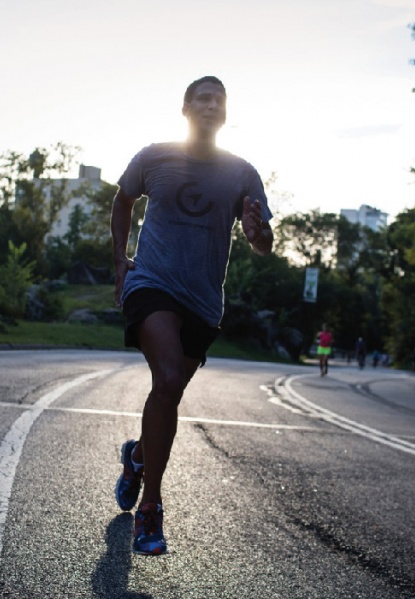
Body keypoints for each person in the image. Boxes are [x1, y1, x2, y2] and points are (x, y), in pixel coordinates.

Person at [110, 76, 274, 555]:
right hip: (152, 282)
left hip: (203, 300)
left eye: (219, 99)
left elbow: (264, 243)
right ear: (185, 108)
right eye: (203, 97)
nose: (211, 104)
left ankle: (137, 456)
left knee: (171, 392)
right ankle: (151, 510)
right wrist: (121, 262)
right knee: (165, 379)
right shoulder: (153, 157)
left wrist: (255, 231)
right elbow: (122, 201)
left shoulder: (242, 173)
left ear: (225, 114)